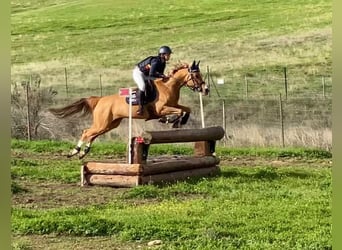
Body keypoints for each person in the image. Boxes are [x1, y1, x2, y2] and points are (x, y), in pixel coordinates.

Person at [132, 45, 172, 115]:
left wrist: (165, 77)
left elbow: (159, 74)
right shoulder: (155, 61)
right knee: (142, 86)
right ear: (163, 54)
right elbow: (152, 74)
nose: (169, 56)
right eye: (168, 54)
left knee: (155, 85)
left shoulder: (163, 63)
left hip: (146, 74)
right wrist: (162, 76)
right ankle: (140, 107)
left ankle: (152, 102)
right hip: (138, 73)